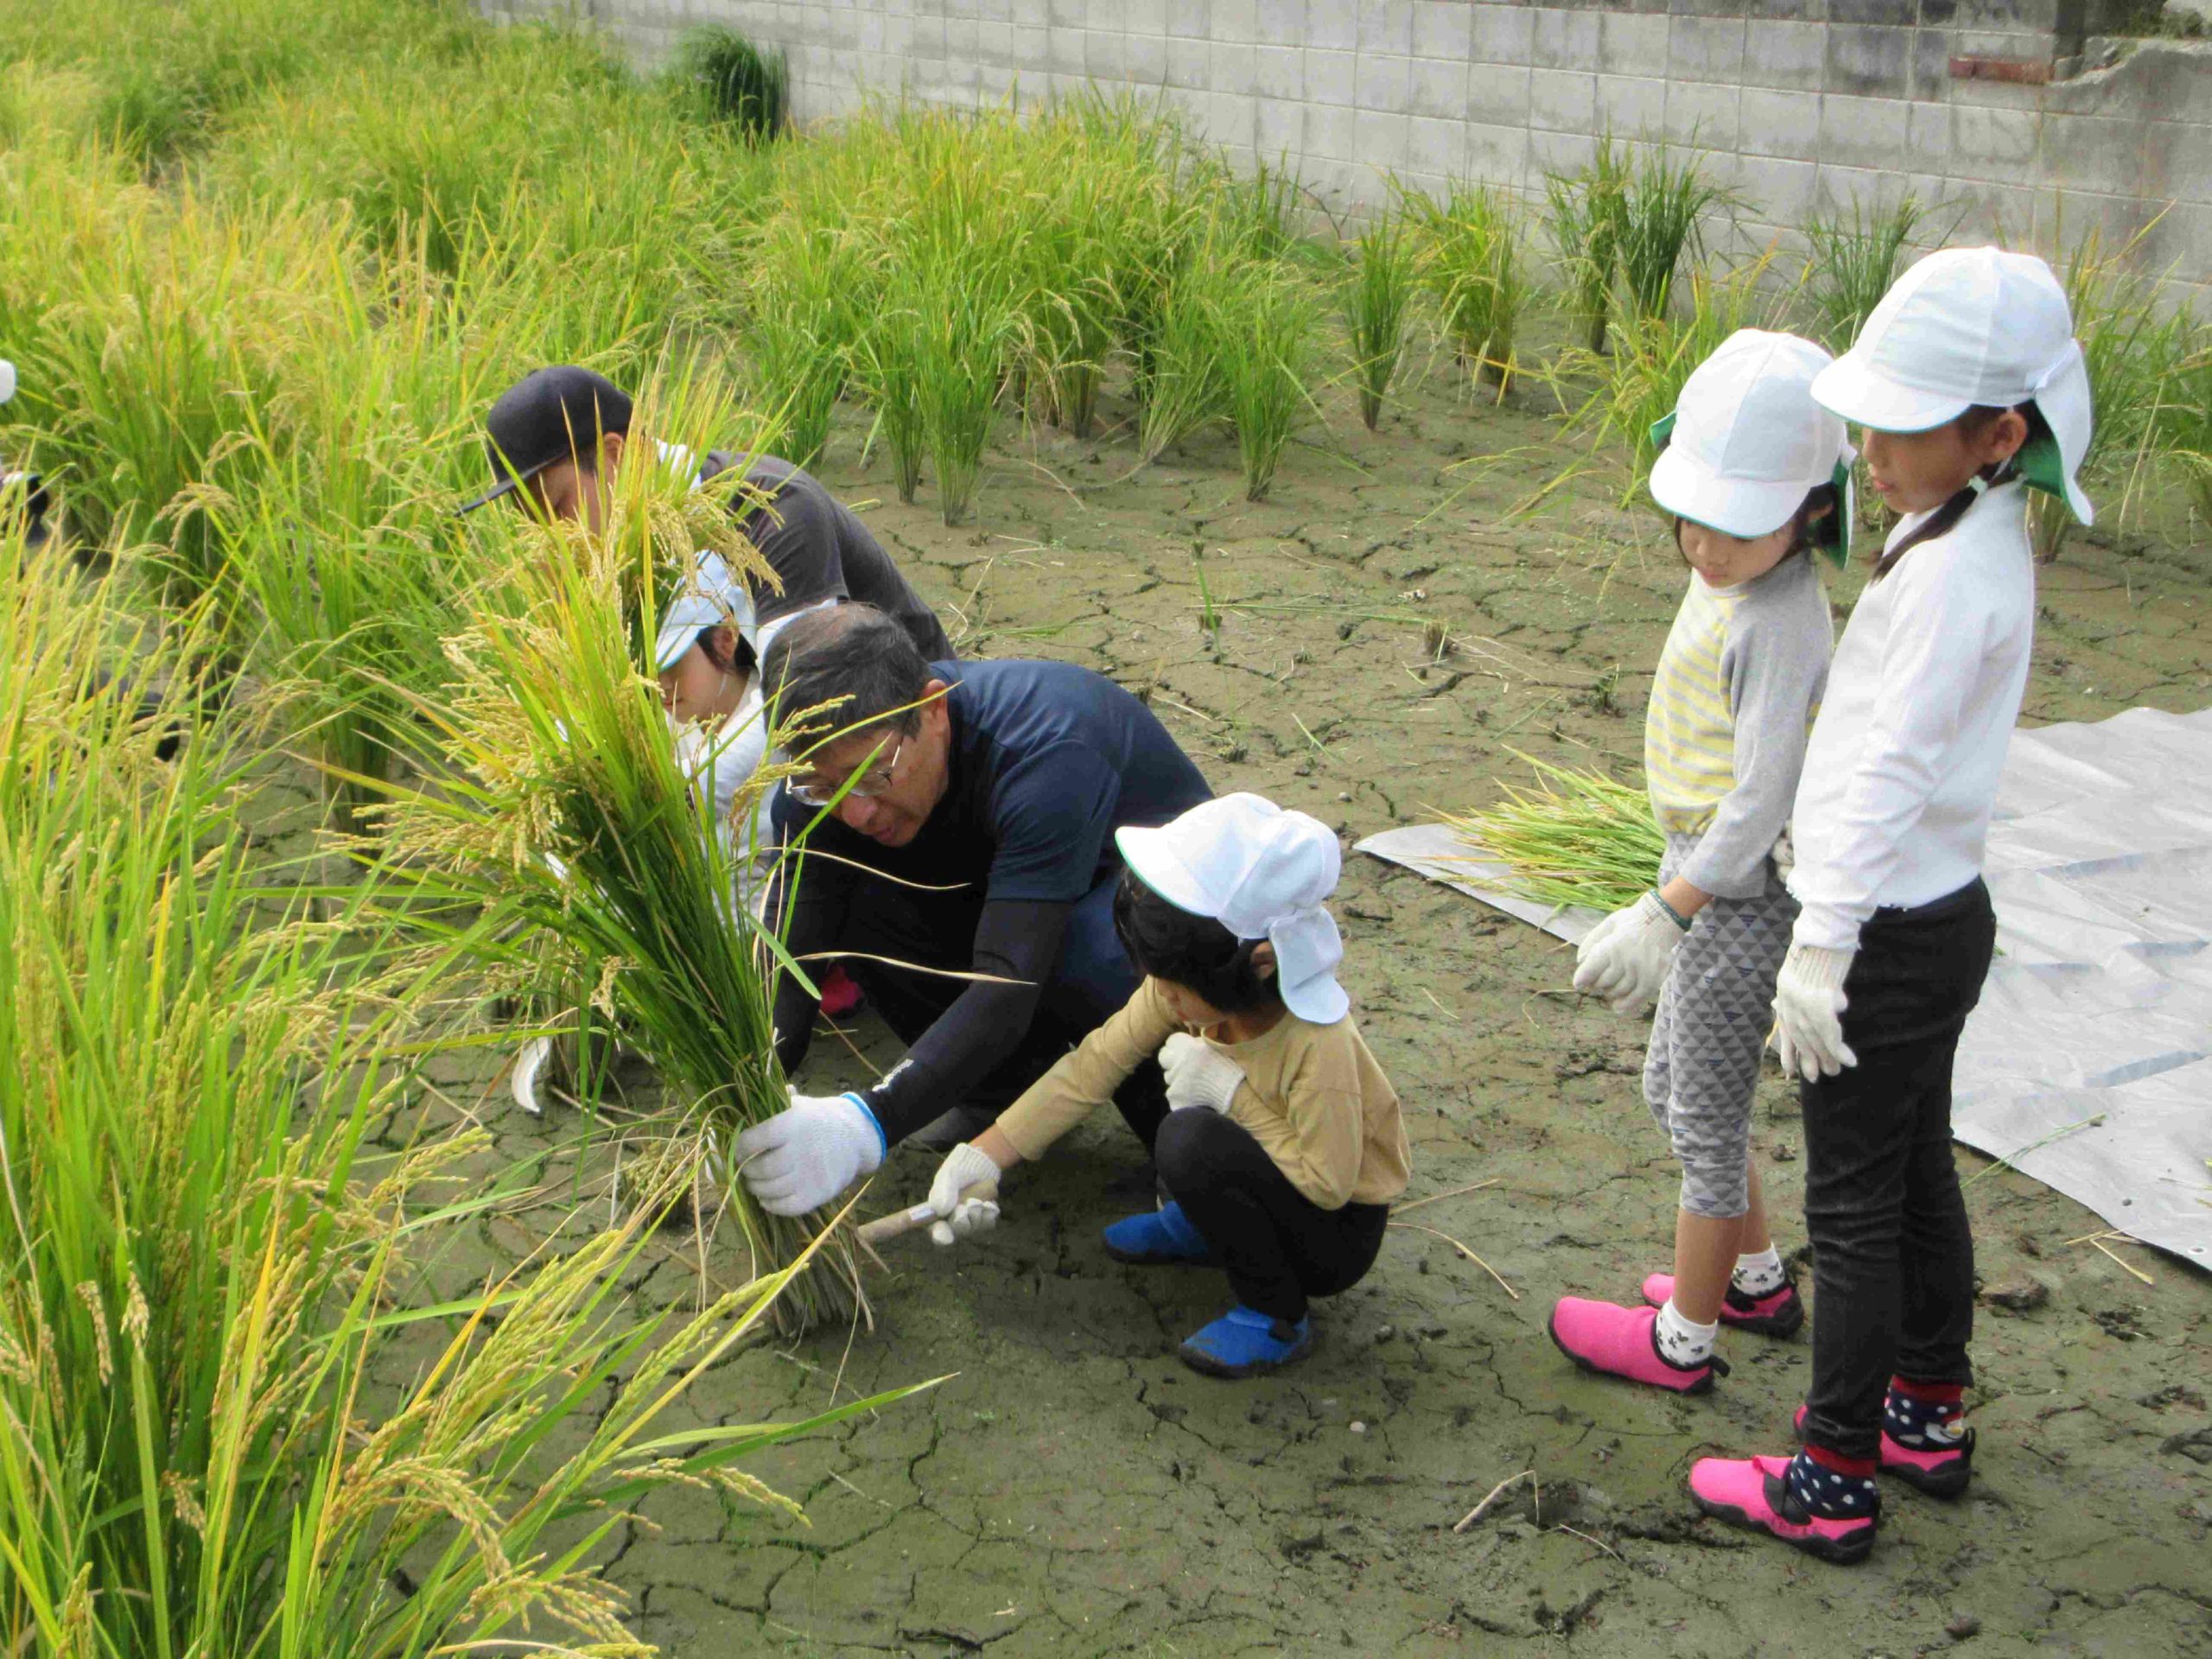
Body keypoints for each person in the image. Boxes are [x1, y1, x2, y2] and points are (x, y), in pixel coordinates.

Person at [1687, 247, 2094, 1565]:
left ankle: (1833, 1475)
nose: (1864, 446)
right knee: (1916, 1171)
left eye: (1899, 427)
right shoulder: (1967, 529)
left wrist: (1819, 946)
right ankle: (1927, 1408)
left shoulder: (1949, 581)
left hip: (1883, 934)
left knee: (1849, 1214)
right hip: (1940, 917)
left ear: (1998, 435)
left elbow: (1880, 774)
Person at [1548, 330, 1847, 1395]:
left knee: (1702, 1115)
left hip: (1739, 893)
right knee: (1670, 1087)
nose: (1706, 549)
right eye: (1691, 521)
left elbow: (1762, 800)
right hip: (1696, 863)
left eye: (1736, 526)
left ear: (1812, 507)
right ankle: (1755, 1280)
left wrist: (1668, 909)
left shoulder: (1783, 617)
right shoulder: (1728, 573)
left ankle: (1685, 1338)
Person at [731, 604, 1215, 1218]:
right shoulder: (822, 794)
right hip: (1005, 897)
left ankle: (1183, 1150)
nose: (854, 811)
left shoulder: (1045, 750)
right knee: (847, 894)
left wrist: (869, 1122)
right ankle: (999, 1089)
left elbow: (1006, 983)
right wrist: (748, 1089)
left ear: (933, 709)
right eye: (822, 787)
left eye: (872, 777)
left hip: (1146, 912)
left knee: (1089, 948)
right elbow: (790, 955)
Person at [922, 793, 1411, 1378]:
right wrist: (988, 1154)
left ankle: (1275, 1315)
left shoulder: (1317, 1043)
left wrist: (1233, 1097)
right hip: (1269, 1170)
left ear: (1258, 963)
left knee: (1188, 1135)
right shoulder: (1189, 986)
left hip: (1332, 1235)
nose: (1162, 995)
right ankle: (1206, 1225)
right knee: (1177, 1097)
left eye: (1174, 984)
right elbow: (1096, 1063)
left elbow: (1328, 1184)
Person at [458, 365, 953, 664]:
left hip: (903, 756)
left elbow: (805, 713)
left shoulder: (770, 508)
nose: (553, 539)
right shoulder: (614, 554)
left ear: (616, 456)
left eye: (556, 507)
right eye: (530, 520)